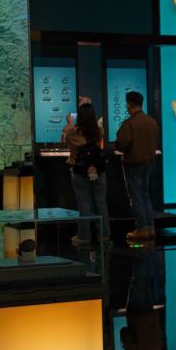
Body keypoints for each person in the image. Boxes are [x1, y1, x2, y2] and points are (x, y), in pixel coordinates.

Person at [63, 100, 110, 243]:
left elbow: (67, 137)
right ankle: (104, 234)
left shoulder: (72, 132)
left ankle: (84, 236)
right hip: (98, 170)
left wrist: (70, 122)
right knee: (101, 203)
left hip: (80, 170)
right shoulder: (99, 131)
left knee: (84, 203)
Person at [116, 90, 159, 242]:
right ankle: (150, 228)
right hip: (149, 162)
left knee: (136, 196)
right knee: (145, 195)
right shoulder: (151, 122)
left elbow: (122, 143)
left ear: (129, 104)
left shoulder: (129, 123)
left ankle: (141, 229)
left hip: (133, 164)